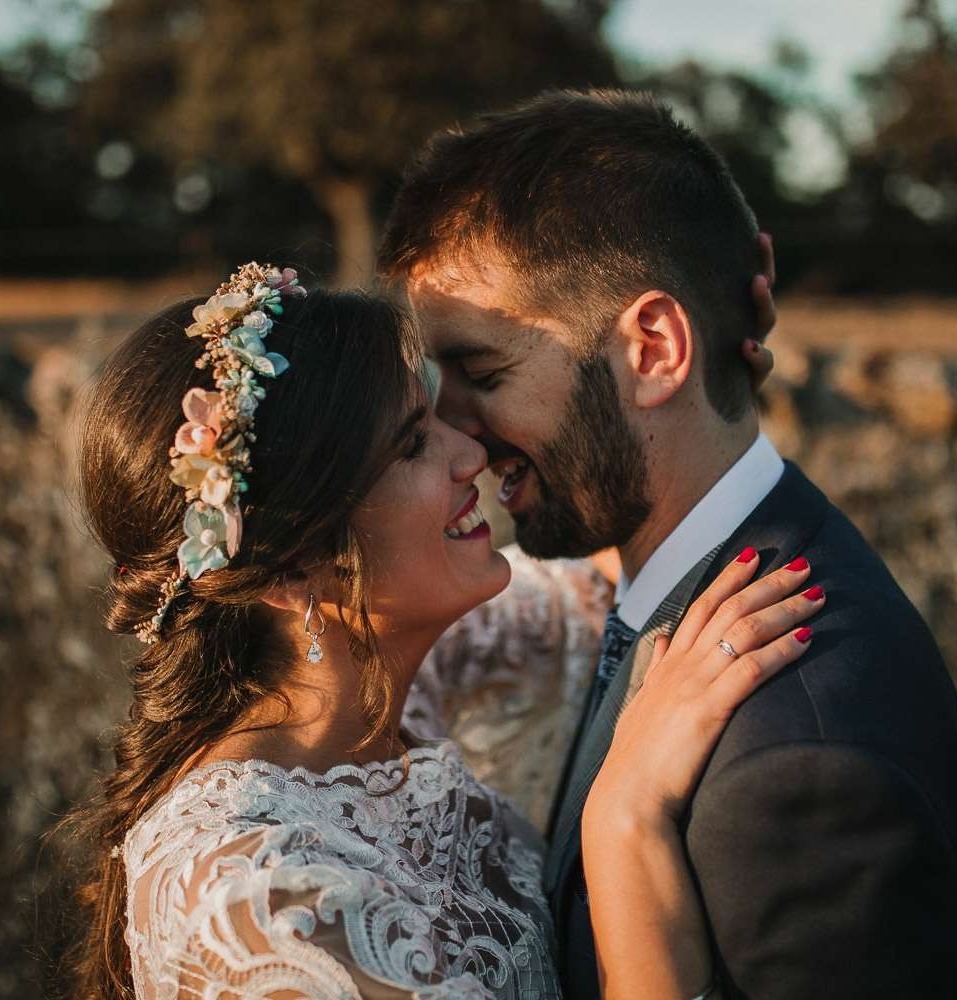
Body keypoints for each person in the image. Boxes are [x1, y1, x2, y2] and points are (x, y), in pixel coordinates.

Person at [70, 263, 820, 998]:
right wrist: (626, 819)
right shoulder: (262, 908)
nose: (472, 453)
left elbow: (619, 559)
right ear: (294, 567)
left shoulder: (398, 685)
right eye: (411, 444)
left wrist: (691, 379)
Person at [378, 89, 957, 998]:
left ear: (653, 349)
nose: (449, 430)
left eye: (481, 372)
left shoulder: (798, 762)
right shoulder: (672, 585)